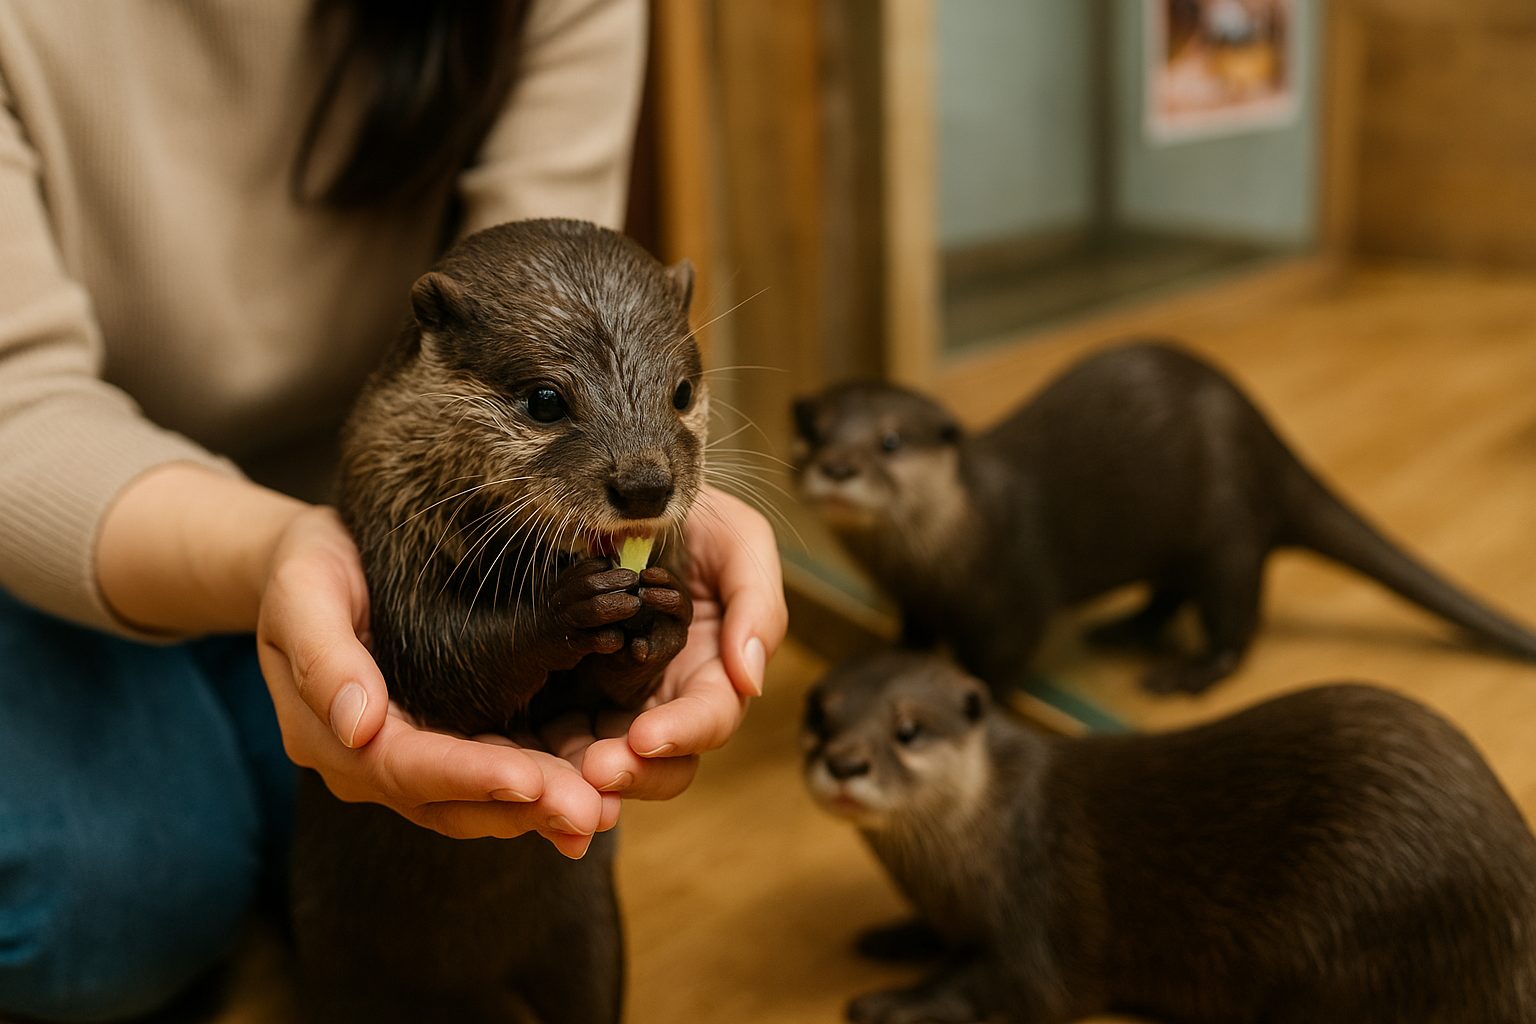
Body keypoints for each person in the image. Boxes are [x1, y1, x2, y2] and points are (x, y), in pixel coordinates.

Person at [0, 1, 787, 1020]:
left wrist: (643, 620)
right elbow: (15, 405)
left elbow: (559, 275)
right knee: (103, 906)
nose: (645, 474)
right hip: (64, 513)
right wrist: (287, 552)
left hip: (319, 513)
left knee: (508, 820)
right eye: (544, 410)